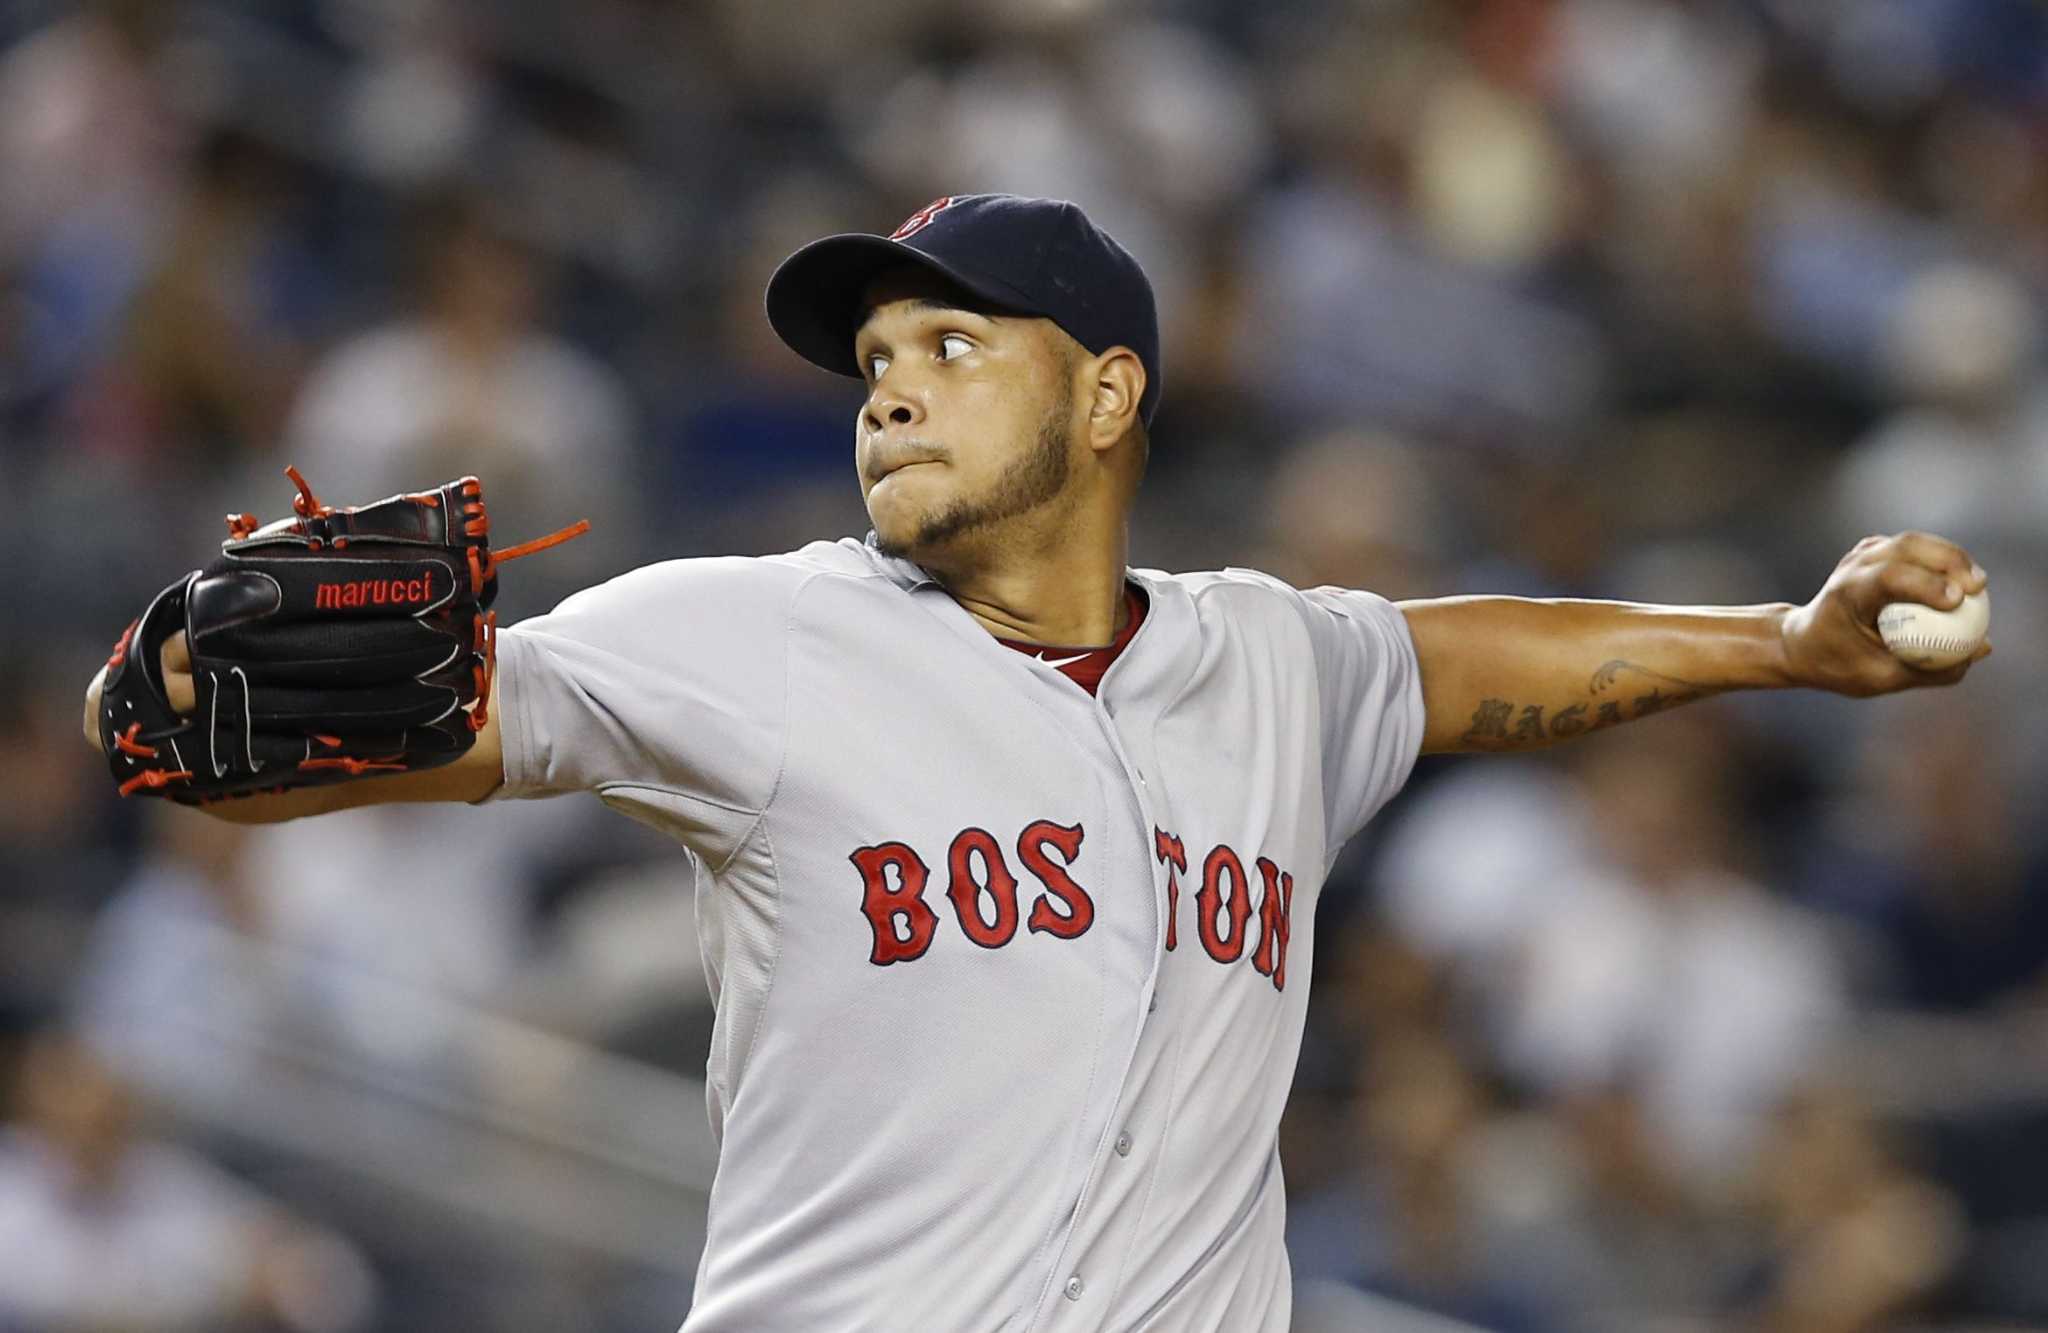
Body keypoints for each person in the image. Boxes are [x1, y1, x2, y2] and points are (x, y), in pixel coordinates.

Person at [84, 193, 1990, 1330]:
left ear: (1107, 393)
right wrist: (167, 723)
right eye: (868, 360)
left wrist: (1776, 645)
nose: (887, 383)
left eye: (948, 340)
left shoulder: (1269, 661)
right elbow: (427, 731)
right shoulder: (747, 633)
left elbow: (1471, 660)